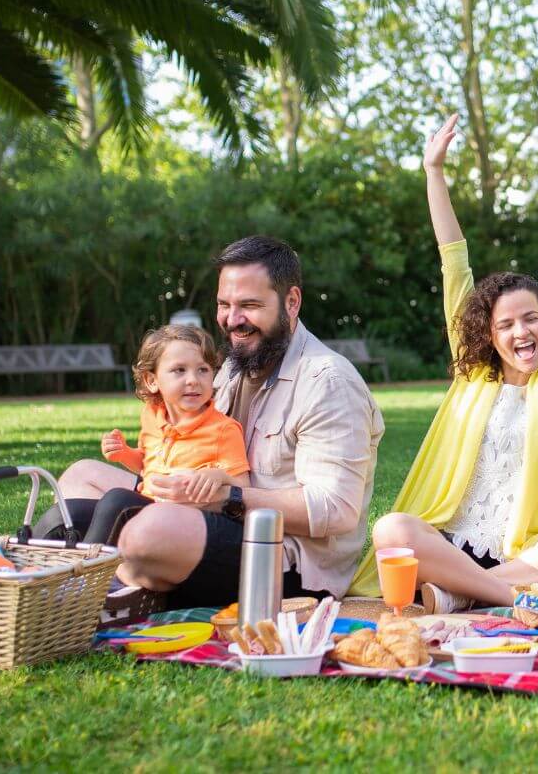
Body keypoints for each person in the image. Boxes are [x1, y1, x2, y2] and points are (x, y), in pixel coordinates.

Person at [349, 113, 538, 612]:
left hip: (527, 553)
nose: (521, 332)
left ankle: (456, 595)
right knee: (392, 529)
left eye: (530, 319)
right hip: (449, 541)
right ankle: (504, 596)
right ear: (488, 335)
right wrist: (434, 172)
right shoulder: (472, 370)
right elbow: (454, 259)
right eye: (507, 325)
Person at [35, 236, 384, 610]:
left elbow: (336, 509)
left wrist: (227, 498)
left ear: (291, 301)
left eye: (249, 305)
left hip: (283, 559)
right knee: (80, 477)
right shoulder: (235, 365)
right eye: (224, 305)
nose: (232, 320)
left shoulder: (327, 381)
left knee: (146, 532)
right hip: (205, 511)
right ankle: (50, 581)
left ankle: (101, 593)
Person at [80, 324, 250, 545]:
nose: (193, 380)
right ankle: (34, 571)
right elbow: (147, 464)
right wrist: (124, 454)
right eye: (180, 370)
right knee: (72, 511)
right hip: (149, 504)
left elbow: (243, 486)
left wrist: (217, 476)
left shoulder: (223, 429)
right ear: (152, 381)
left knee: (116, 500)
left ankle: (86, 575)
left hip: (186, 521)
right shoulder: (151, 416)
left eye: (203, 369)